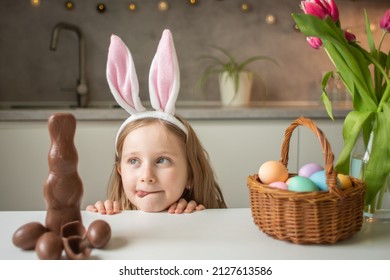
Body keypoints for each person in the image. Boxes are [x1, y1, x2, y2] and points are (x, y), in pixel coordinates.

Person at [86, 30, 227, 215]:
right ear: (120, 171)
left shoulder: (205, 214)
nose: (146, 177)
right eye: (134, 160)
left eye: (162, 160)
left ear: (191, 174)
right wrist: (99, 216)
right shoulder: (114, 215)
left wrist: (199, 216)